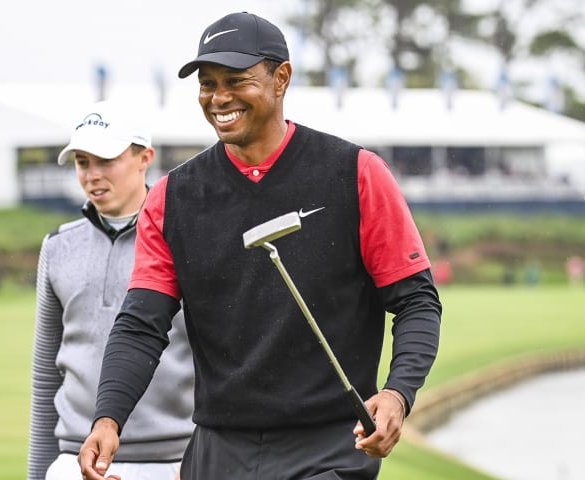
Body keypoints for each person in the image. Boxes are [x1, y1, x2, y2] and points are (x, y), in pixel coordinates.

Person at [79, 12, 442, 480]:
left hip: (330, 445)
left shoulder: (356, 173)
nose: (219, 98)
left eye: (236, 80)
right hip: (217, 447)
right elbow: (140, 325)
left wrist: (397, 393)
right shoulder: (172, 198)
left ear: (281, 78)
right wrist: (108, 417)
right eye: (207, 84)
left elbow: (416, 301)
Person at [28, 100, 194, 480]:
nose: (92, 175)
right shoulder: (57, 246)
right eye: (82, 162)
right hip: (76, 459)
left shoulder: (187, 240)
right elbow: (47, 376)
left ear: (144, 157)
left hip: (174, 461)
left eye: (106, 160)